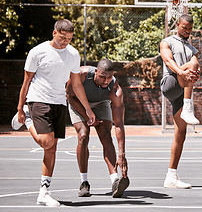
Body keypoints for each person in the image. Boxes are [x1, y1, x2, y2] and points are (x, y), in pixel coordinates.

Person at [11, 19, 96, 207]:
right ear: (54, 33)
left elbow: (76, 84)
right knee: (46, 142)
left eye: (69, 39)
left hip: (59, 103)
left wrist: (88, 109)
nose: (66, 42)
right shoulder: (37, 52)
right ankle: (28, 120)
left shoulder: (73, 54)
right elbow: (26, 82)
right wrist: (20, 108)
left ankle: (43, 192)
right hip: (38, 99)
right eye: (63, 38)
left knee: (52, 148)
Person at [66, 59, 129, 198]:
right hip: (78, 103)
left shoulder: (115, 90)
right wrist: (88, 115)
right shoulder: (81, 74)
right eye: (102, 76)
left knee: (106, 135)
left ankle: (115, 181)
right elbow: (70, 97)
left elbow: (118, 124)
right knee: (83, 135)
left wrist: (122, 154)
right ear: (96, 71)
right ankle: (84, 182)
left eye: (109, 77)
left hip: (100, 104)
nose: (105, 81)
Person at [159, 14, 201, 188]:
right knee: (190, 67)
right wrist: (182, 72)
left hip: (182, 90)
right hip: (170, 83)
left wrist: (194, 74)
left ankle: (171, 176)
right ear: (178, 25)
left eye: (190, 28)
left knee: (181, 132)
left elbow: (195, 66)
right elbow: (168, 60)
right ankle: (188, 107)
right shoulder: (167, 41)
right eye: (184, 27)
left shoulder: (192, 49)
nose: (187, 30)